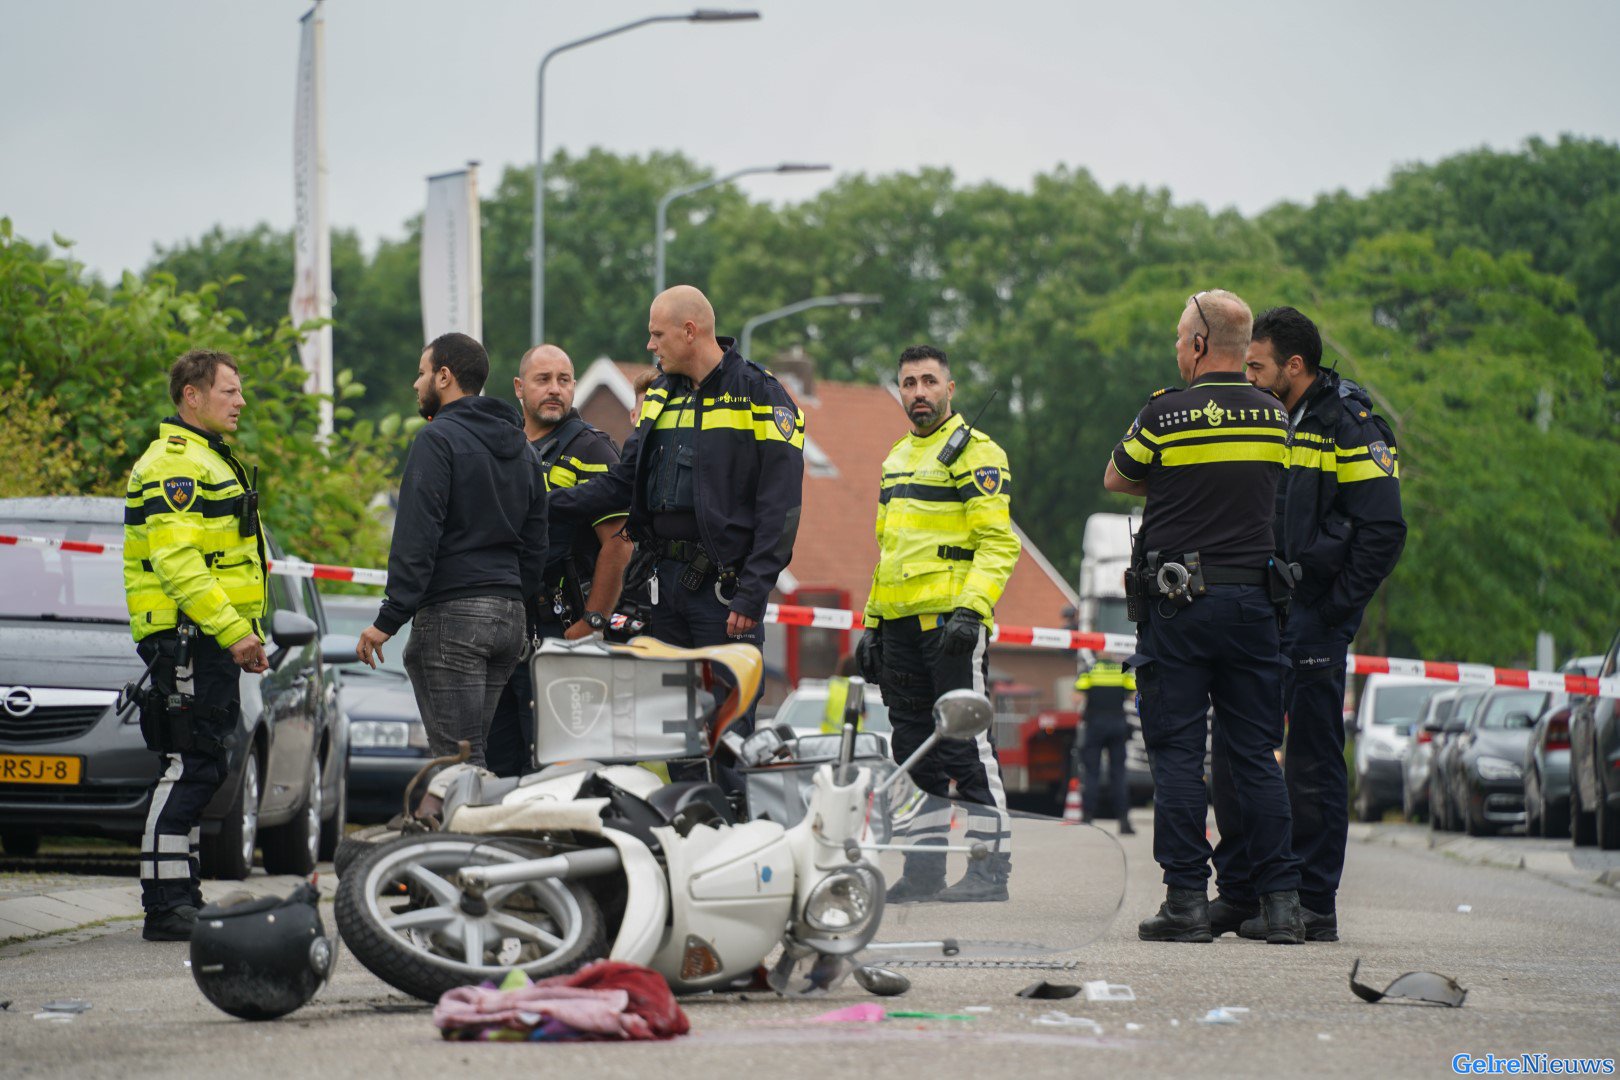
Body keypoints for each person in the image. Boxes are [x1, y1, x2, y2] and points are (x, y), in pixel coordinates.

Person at [1103, 290, 1306, 944]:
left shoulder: (1164, 415)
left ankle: (1187, 902)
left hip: (1179, 608)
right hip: (1254, 606)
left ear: (1196, 345)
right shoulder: (1276, 417)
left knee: (1178, 756)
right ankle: (1281, 905)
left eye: (1177, 340)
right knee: (1255, 755)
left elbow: (1117, 477)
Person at [548, 286, 804, 782]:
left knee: (727, 742)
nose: (650, 346)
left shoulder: (761, 395)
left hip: (723, 600)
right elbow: (622, 483)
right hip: (663, 594)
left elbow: (781, 510)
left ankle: (732, 846)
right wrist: (539, 506)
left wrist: (751, 595)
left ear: (690, 332)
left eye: (656, 334)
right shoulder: (662, 391)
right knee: (679, 741)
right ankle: (688, 844)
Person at [1207, 306, 1406, 942]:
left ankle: (1314, 904)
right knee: (1236, 755)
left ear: (1295, 365)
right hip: (1258, 611)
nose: (1250, 376)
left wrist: (1332, 615)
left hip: (1314, 620)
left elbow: (1382, 530)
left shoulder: (1349, 420)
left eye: (1258, 365)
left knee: (1312, 761)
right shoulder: (1267, 414)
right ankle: (1241, 892)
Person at [856, 345, 1020, 903]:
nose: (919, 392)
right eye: (909, 383)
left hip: (950, 625)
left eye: (929, 381)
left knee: (964, 747)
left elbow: (999, 543)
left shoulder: (977, 452)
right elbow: (888, 551)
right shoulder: (897, 456)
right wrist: (872, 623)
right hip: (898, 628)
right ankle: (924, 871)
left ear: (951, 389)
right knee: (911, 749)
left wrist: (972, 610)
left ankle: (989, 870)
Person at [123, 349, 269, 941]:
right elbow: (180, 562)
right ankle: (164, 905)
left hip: (205, 637)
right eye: (228, 391)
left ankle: (182, 895)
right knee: (190, 763)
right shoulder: (175, 464)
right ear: (192, 395)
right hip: (188, 637)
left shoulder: (209, 460)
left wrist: (238, 631)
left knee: (201, 761)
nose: (239, 401)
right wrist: (233, 632)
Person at [357, 333, 548, 775]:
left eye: (422, 373)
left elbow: (416, 537)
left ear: (444, 377)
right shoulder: (523, 447)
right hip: (509, 618)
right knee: (475, 757)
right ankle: (471, 838)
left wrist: (388, 620)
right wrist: (516, 595)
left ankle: (457, 843)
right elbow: (538, 538)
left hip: (454, 619)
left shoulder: (436, 440)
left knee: (456, 765)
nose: (415, 383)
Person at [485, 343, 634, 777]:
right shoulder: (504, 448)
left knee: (553, 765)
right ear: (519, 387)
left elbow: (620, 542)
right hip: (506, 628)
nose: (555, 390)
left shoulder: (592, 450)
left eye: (564, 380)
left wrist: (593, 621)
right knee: (499, 764)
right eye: (543, 380)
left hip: (561, 629)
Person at [1074, 657, 1136, 834]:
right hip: (1118, 724)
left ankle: (1087, 818)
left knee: (1091, 773)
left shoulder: (1090, 670)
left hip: (1095, 724)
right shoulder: (1123, 670)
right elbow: (1134, 696)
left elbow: (1077, 697)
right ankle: (1124, 822)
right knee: (1119, 774)